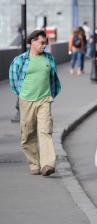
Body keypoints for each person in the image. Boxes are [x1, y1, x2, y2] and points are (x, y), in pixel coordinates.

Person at [9, 30, 61, 176]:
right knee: (27, 135)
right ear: (32, 42)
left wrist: (51, 94)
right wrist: (22, 96)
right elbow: (13, 81)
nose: (44, 46)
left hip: (44, 100)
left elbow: (53, 79)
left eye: (45, 43)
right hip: (26, 101)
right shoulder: (20, 60)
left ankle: (47, 165)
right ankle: (34, 164)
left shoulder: (49, 59)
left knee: (45, 131)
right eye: (41, 42)